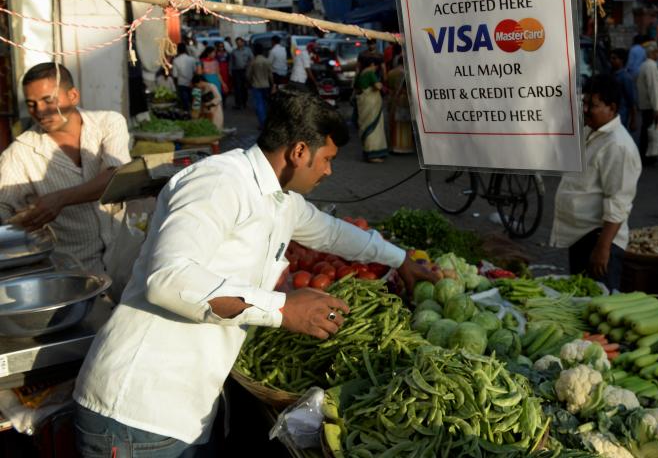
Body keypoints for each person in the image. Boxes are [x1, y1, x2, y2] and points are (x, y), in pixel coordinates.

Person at [72, 90, 438, 456]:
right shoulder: (219, 182)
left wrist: (399, 258)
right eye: (326, 159)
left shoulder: (280, 199)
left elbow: (331, 232)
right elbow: (168, 280)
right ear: (298, 152)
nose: (329, 171)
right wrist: (282, 309)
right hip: (136, 411)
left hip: (184, 408)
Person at [0, 63, 130, 272]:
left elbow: (117, 177)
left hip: (123, 257)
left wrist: (60, 199)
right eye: (32, 104)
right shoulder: (19, 153)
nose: (40, 111)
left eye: (48, 100)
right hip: (73, 272)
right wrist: (20, 222)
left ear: (73, 96)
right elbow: (3, 208)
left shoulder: (109, 123)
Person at [550, 75, 641, 290]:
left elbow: (618, 202)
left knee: (599, 305)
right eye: (584, 102)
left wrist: (603, 249)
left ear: (612, 108)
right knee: (581, 298)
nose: (585, 109)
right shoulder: (591, 131)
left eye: (593, 105)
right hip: (580, 236)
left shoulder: (618, 146)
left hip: (599, 238)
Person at [635, 40, 658, 162]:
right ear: (653, 53)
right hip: (650, 105)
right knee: (649, 131)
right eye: (657, 52)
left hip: (646, 104)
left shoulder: (644, 65)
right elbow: (653, 89)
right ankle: (647, 155)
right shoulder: (651, 66)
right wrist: (656, 108)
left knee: (646, 129)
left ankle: (645, 154)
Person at [355, 54, 388, 163]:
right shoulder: (370, 73)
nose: (377, 68)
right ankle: (373, 155)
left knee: (366, 126)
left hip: (364, 103)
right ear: (372, 64)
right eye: (377, 66)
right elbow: (378, 86)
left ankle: (367, 152)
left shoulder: (361, 73)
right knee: (373, 128)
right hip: (371, 103)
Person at [386, 52, 414, 154]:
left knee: (395, 123)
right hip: (406, 99)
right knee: (406, 123)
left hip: (394, 99)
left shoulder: (391, 72)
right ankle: (406, 147)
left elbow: (388, 85)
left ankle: (395, 146)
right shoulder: (409, 73)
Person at [608, 48, 636, 130]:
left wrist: (633, 120)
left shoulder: (626, 77)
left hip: (621, 115)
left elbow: (631, 101)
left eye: (614, 58)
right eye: (611, 58)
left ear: (621, 60)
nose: (611, 60)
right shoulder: (611, 74)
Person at [246, 50, 274, 128]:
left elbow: (248, 75)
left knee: (259, 105)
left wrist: (250, 82)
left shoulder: (253, 62)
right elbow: (270, 74)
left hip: (256, 85)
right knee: (266, 104)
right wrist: (272, 84)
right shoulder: (267, 61)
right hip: (266, 85)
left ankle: (262, 123)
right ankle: (267, 122)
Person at [171, 43, 197, 111]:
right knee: (193, 101)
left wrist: (175, 85)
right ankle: (195, 115)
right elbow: (195, 71)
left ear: (178, 50)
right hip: (192, 83)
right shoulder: (192, 59)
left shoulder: (175, 60)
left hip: (181, 84)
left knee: (184, 103)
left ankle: (186, 115)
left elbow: (175, 75)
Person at [230, 37, 253, 109]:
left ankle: (244, 103)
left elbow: (252, 59)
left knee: (244, 88)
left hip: (245, 71)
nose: (238, 44)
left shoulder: (248, 50)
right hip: (236, 72)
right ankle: (238, 104)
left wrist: (250, 68)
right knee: (237, 88)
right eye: (237, 43)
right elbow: (231, 62)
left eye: (240, 42)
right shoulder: (234, 52)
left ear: (243, 42)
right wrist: (230, 71)